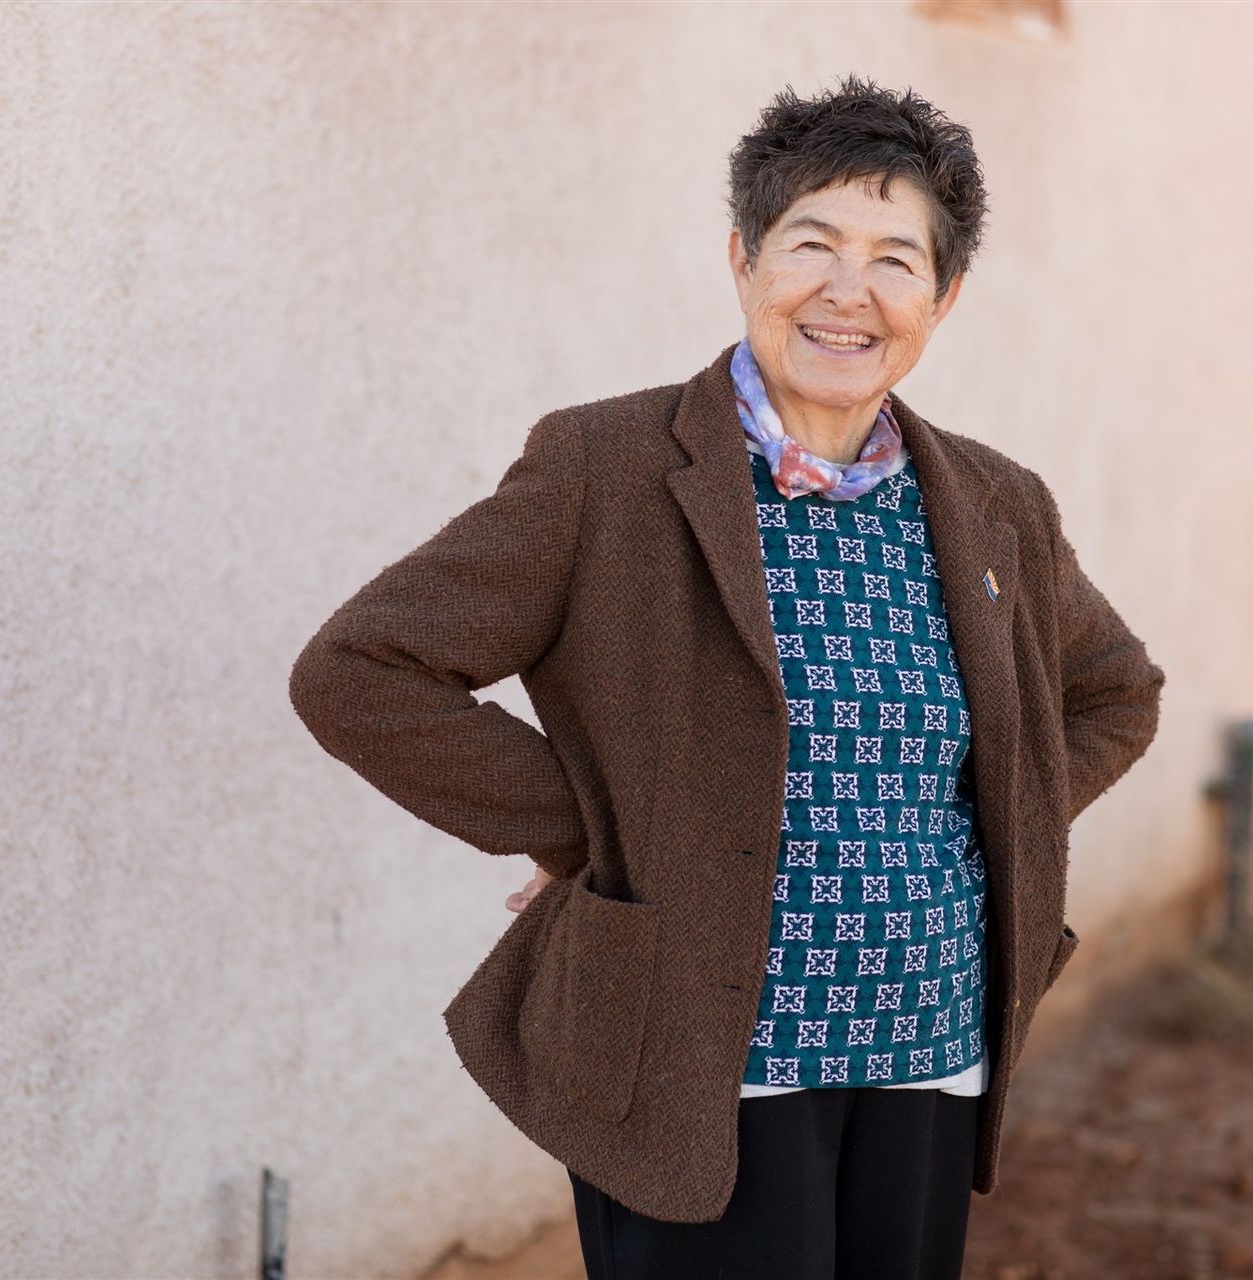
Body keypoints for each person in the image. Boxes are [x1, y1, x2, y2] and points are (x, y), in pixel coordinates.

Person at [288, 74, 1164, 1280]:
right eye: (814, 244)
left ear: (943, 297)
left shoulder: (994, 502)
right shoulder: (605, 464)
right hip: (699, 1055)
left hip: (929, 1037)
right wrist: (596, 831)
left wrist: (1008, 829)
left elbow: (1117, 691)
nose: (849, 293)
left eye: (896, 260)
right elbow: (364, 668)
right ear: (746, 257)